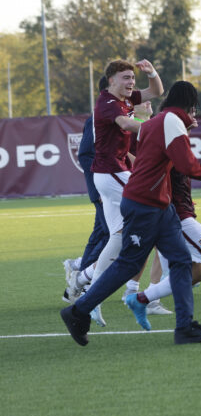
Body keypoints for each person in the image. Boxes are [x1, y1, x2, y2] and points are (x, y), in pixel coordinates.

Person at [59, 81, 201, 346]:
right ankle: (77, 311)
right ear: (191, 104)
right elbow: (185, 165)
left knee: (181, 262)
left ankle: (185, 327)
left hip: (159, 204)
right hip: (145, 203)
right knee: (129, 264)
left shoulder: (161, 120)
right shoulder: (171, 121)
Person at [64, 59, 164, 326]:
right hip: (111, 174)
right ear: (111, 81)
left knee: (117, 237)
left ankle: (89, 295)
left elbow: (156, 91)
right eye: (125, 78)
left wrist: (151, 73)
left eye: (132, 77)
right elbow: (127, 124)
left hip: (111, 174)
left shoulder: (126, 99)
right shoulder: (108, 102)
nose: (131, 82)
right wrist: (159, 129)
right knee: (155, 214)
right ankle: (145, 292)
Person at [124, 167, 201, 337]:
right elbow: (188, 165)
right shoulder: (168, 142)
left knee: (196, 274)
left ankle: (141, 299)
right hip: (180, 217)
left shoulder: (164, 144)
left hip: (180, 213)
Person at [62, 76, 109, 303]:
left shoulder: (115, 114)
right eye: (126, 80)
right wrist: (97, 187)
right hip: (103, 189)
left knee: (102, 233)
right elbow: (86, 153)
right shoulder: (98, 118)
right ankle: (82, 279)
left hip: (110, 188)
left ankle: (78, 276)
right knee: (112, 234)